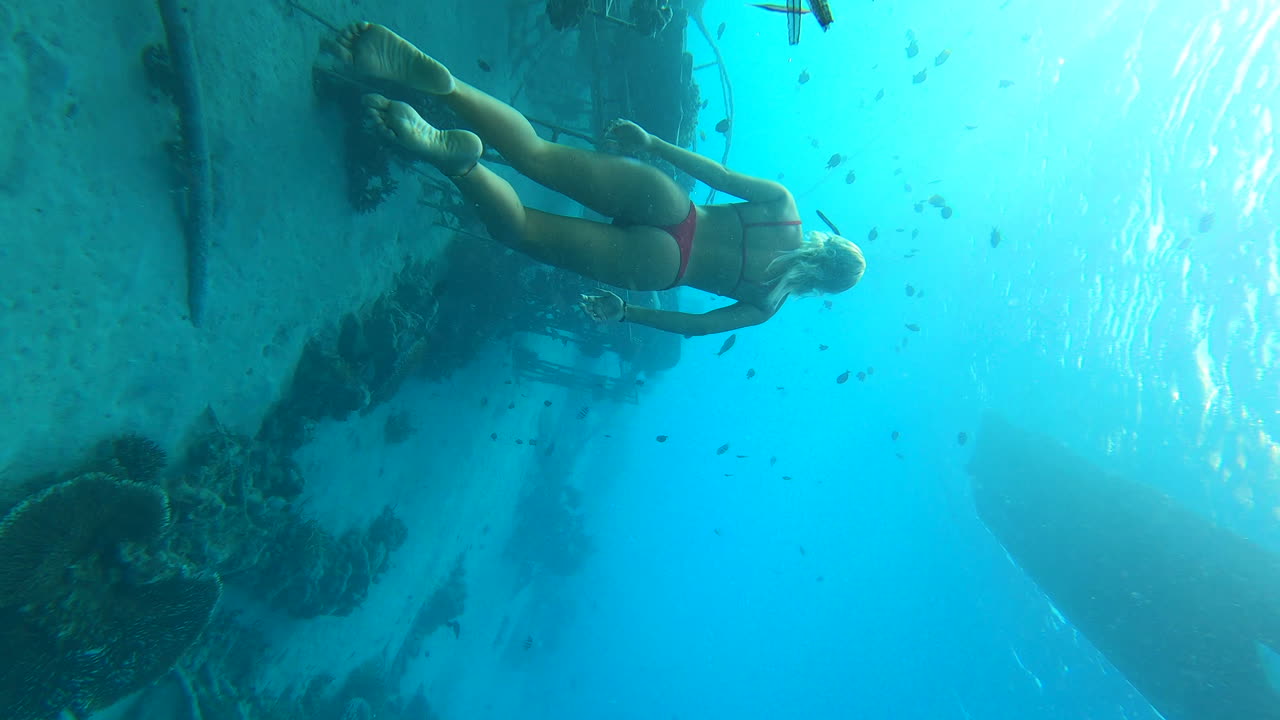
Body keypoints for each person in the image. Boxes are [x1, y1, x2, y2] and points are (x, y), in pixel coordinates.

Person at [330, 23, 865, 336]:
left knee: (535, 152)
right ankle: (460, 163)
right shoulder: (768, 305)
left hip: (673, 205)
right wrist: (627, 311)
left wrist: (652, 143)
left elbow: (718, 173)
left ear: (831, 240)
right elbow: (695, 328)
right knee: (518, 228)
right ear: (823, 288)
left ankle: (449, 90)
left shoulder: (785, 207)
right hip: (664, 264)